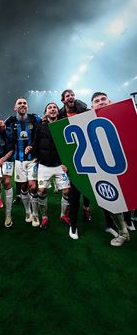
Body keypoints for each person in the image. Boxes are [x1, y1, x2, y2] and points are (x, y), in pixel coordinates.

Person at [91, 91, 131, 246]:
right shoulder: (88, 123)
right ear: (92, 106)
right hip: (107, 167)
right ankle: (123, 233)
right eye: (97, 101)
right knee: (113, 199)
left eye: (103, 99)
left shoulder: (125, 115)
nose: (100, 102)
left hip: (129, 162)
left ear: (110, 101)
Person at [32, 102, 70, 229]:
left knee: (66, 191)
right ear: (46, 113)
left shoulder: (63, 125)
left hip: (60, 165)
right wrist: (34, 154)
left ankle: (63, 214)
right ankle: (44, 217)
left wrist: (67, 162)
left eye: (54, 107)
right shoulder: (40, 127)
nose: (52, 109)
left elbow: (68, 145)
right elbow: (36, 143)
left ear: (58, 112)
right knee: (41, 190)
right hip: (44, 166)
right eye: (50, 108)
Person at [5, 97, 42, 227]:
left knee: (33, 186)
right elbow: (2, 132)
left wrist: (33, 145)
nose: (22, 105)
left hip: (33, 159)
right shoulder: (10, 121)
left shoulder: (35, 118)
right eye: (19, 103)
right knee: (24, 187)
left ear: (28, 107)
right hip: (18, 160)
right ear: (15, 108)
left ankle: (36, 214)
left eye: (24, 103)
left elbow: (42, 132)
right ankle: (28, 211)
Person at [59, 89, 91, 240]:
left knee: (89, 185)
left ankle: (86, 208)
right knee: (74, 190)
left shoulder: (84, 110)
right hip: (70, 156)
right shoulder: (60, 115)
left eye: (72, 95)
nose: (71, 97)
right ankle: (73, 224)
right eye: (67, 96)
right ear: (63, 100)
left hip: (88, 154)